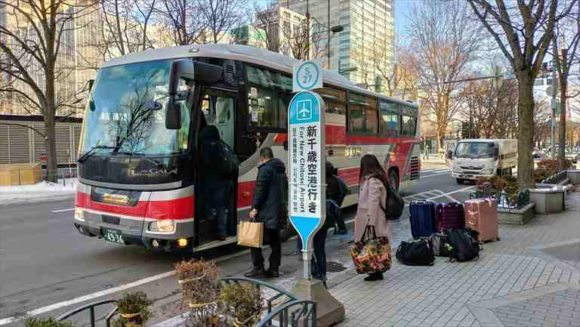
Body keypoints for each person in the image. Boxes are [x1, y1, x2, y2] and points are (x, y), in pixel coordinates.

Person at [245, 147, 286, 278]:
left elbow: (260, 191)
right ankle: (274, 269)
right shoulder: (281, 170)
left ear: (262, 158)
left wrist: (255, 208)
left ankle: (258, 267)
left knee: (253, 240)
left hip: (266, 212)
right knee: (275, 241)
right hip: (278, 211)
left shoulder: (264, 170)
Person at [354, 154, 391, 282]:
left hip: (372, 219)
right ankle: (376, 270)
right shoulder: (375, 178)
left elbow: (373, 202)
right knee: (374, 245)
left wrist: (371, 222)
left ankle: (376, 270)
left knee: (373, 244)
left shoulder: (373, 181)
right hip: (372, 217)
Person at [198, 125, 235, 241]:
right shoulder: (222, 145)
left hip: (211, 181)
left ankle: (210, 228)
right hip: (225, 181)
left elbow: (203, 163)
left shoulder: (205, 146)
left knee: (209, 205)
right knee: (222, 207)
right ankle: (223, 233)